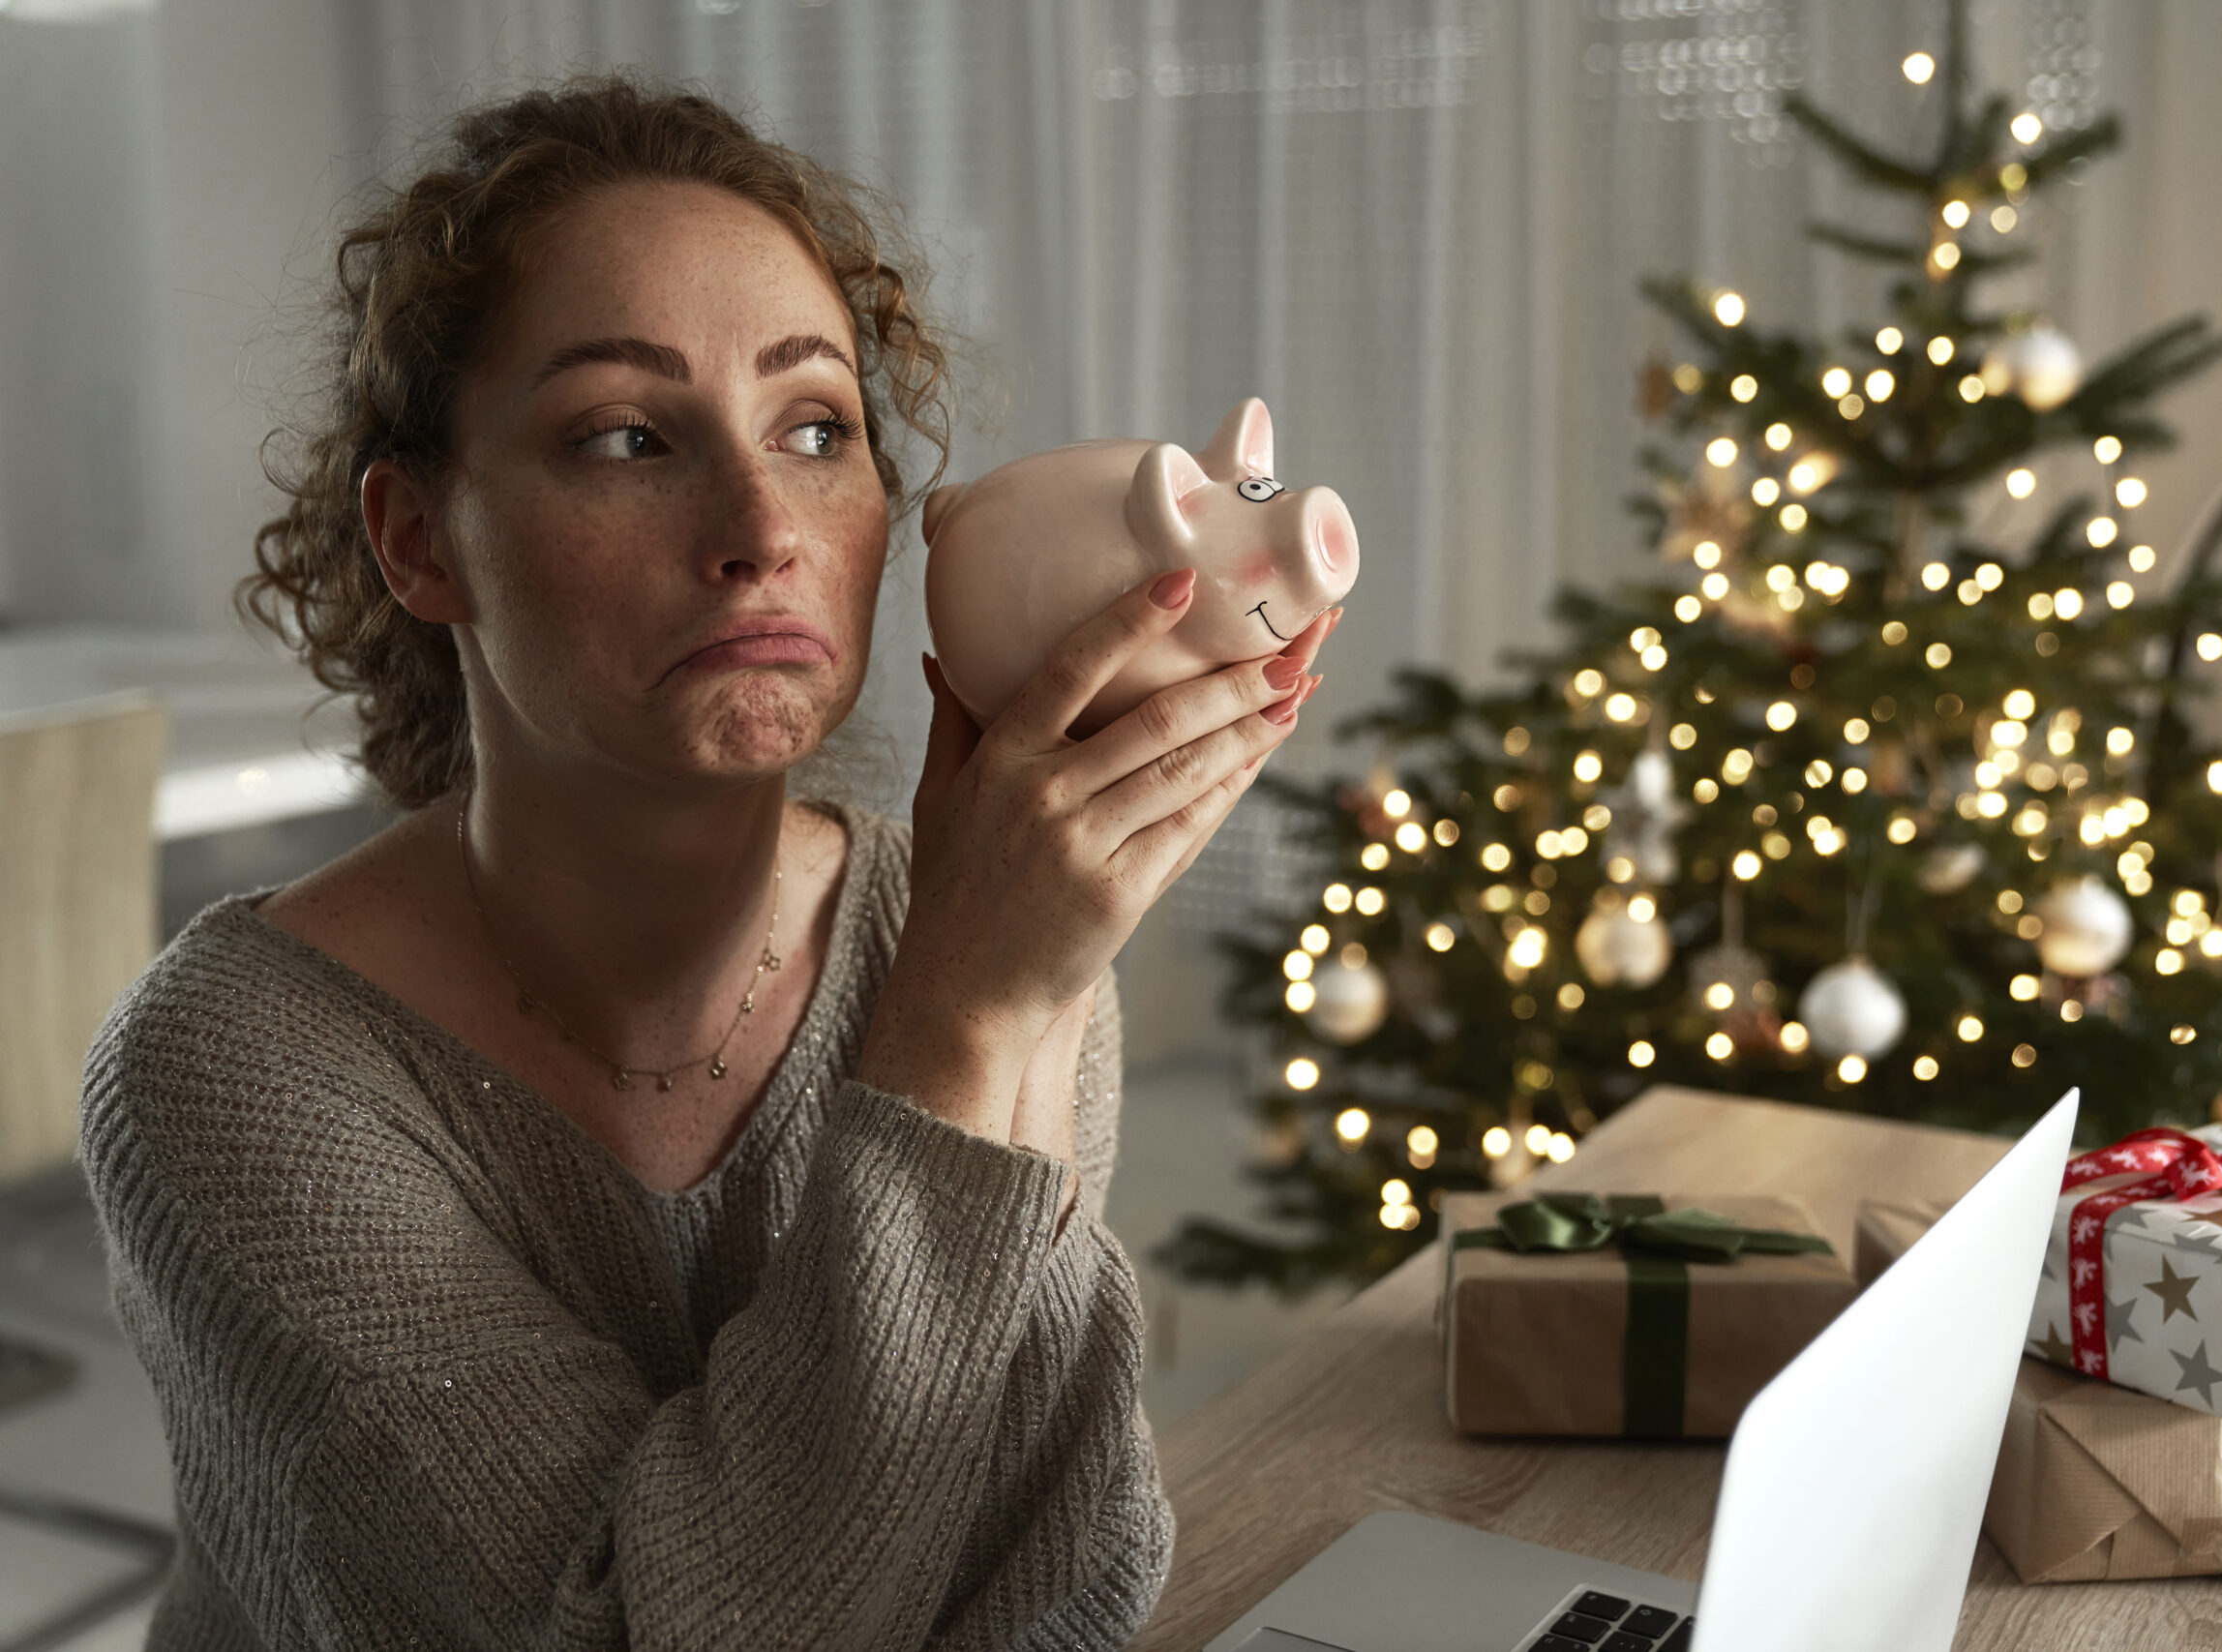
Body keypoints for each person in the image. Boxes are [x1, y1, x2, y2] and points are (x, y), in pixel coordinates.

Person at [77, 74, 1334, 1648]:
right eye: (625, 436)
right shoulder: (235, 1069)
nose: (761, 526)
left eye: (818, 427)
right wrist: (965, 1027)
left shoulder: (968, 922)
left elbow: (1055, 1591)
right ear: (417, 539)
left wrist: (1020, 992)